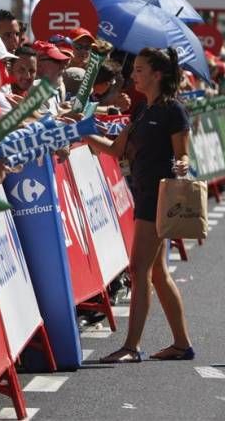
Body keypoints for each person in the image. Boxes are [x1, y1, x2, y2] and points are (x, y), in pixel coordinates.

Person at [84, 47, 194, 363]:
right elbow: (117, 150)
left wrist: (183, 165)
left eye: (140, 70)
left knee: (139, 269)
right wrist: (81, 132)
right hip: (143, 193)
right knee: (157, 272)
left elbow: (183, 154)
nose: (133, 75)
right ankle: (181, 344)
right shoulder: (141, 110)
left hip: (160, 197)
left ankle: (131, 347)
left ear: (158, 74)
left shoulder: (174, 110)